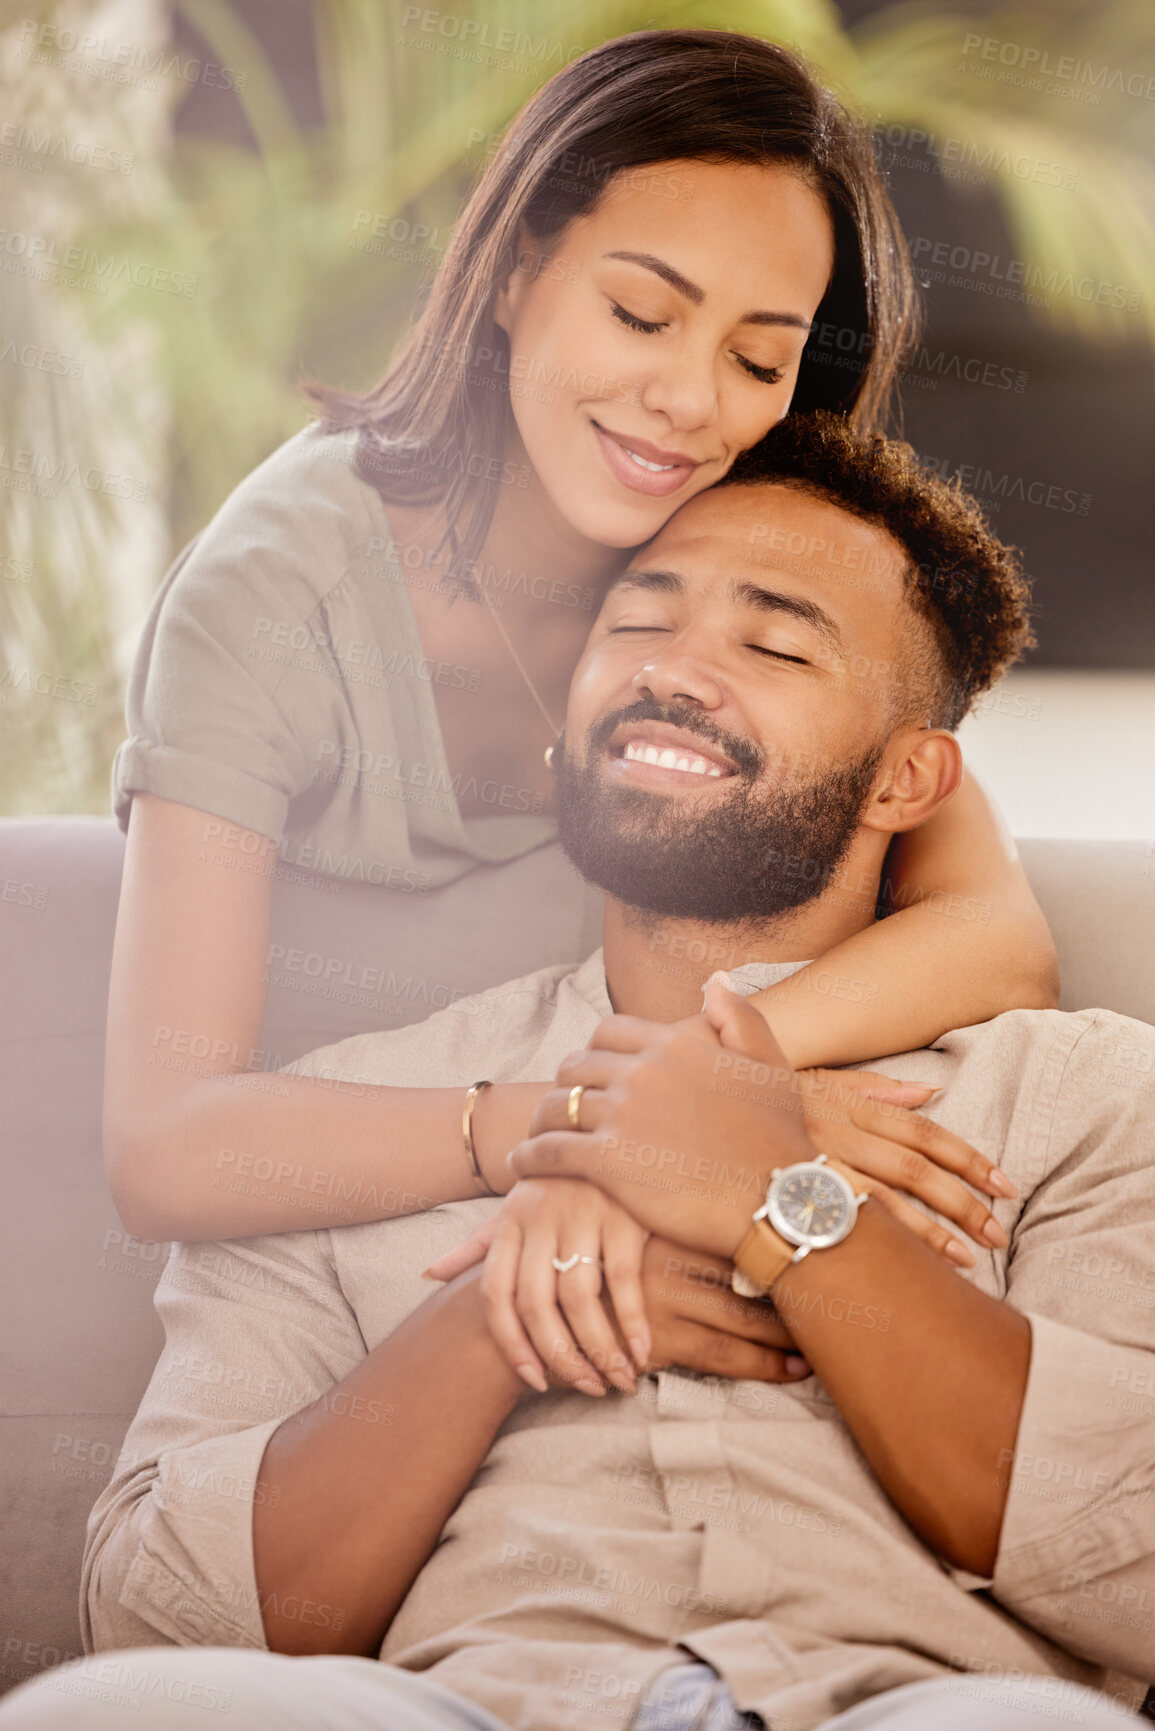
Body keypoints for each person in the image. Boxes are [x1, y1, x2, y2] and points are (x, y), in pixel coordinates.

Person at [8, 415, 1149, 1731]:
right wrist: (506, 1304)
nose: (675, 672)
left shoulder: (1082, 1101)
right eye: (634, 624)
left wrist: (783, 1200)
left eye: (773, 643)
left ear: (907, 778)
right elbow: (164, 1614)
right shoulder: (348, 1112)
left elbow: (1131, 1562)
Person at [102, 29, 1058, 1253]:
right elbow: (162, 1148)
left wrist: (721, 1084)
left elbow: (996, 936)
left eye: (758, 357)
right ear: (511, 274)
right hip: (363, 1246)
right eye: (640, 313)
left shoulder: (735, 552)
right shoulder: (276, 596)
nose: (692, 402)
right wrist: (590, 1123)